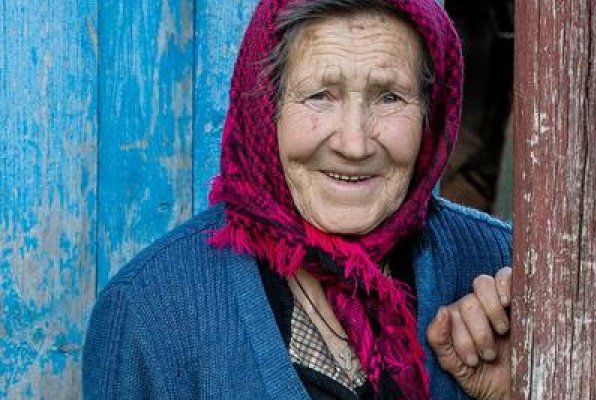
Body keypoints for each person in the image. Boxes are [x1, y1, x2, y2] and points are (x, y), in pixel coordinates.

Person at [83, 0, 513, 399]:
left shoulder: (499, 268)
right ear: (267, 109)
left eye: (389, 97)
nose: (355, 143)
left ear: (429, 116)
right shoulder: (150, 308)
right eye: (320, 96)